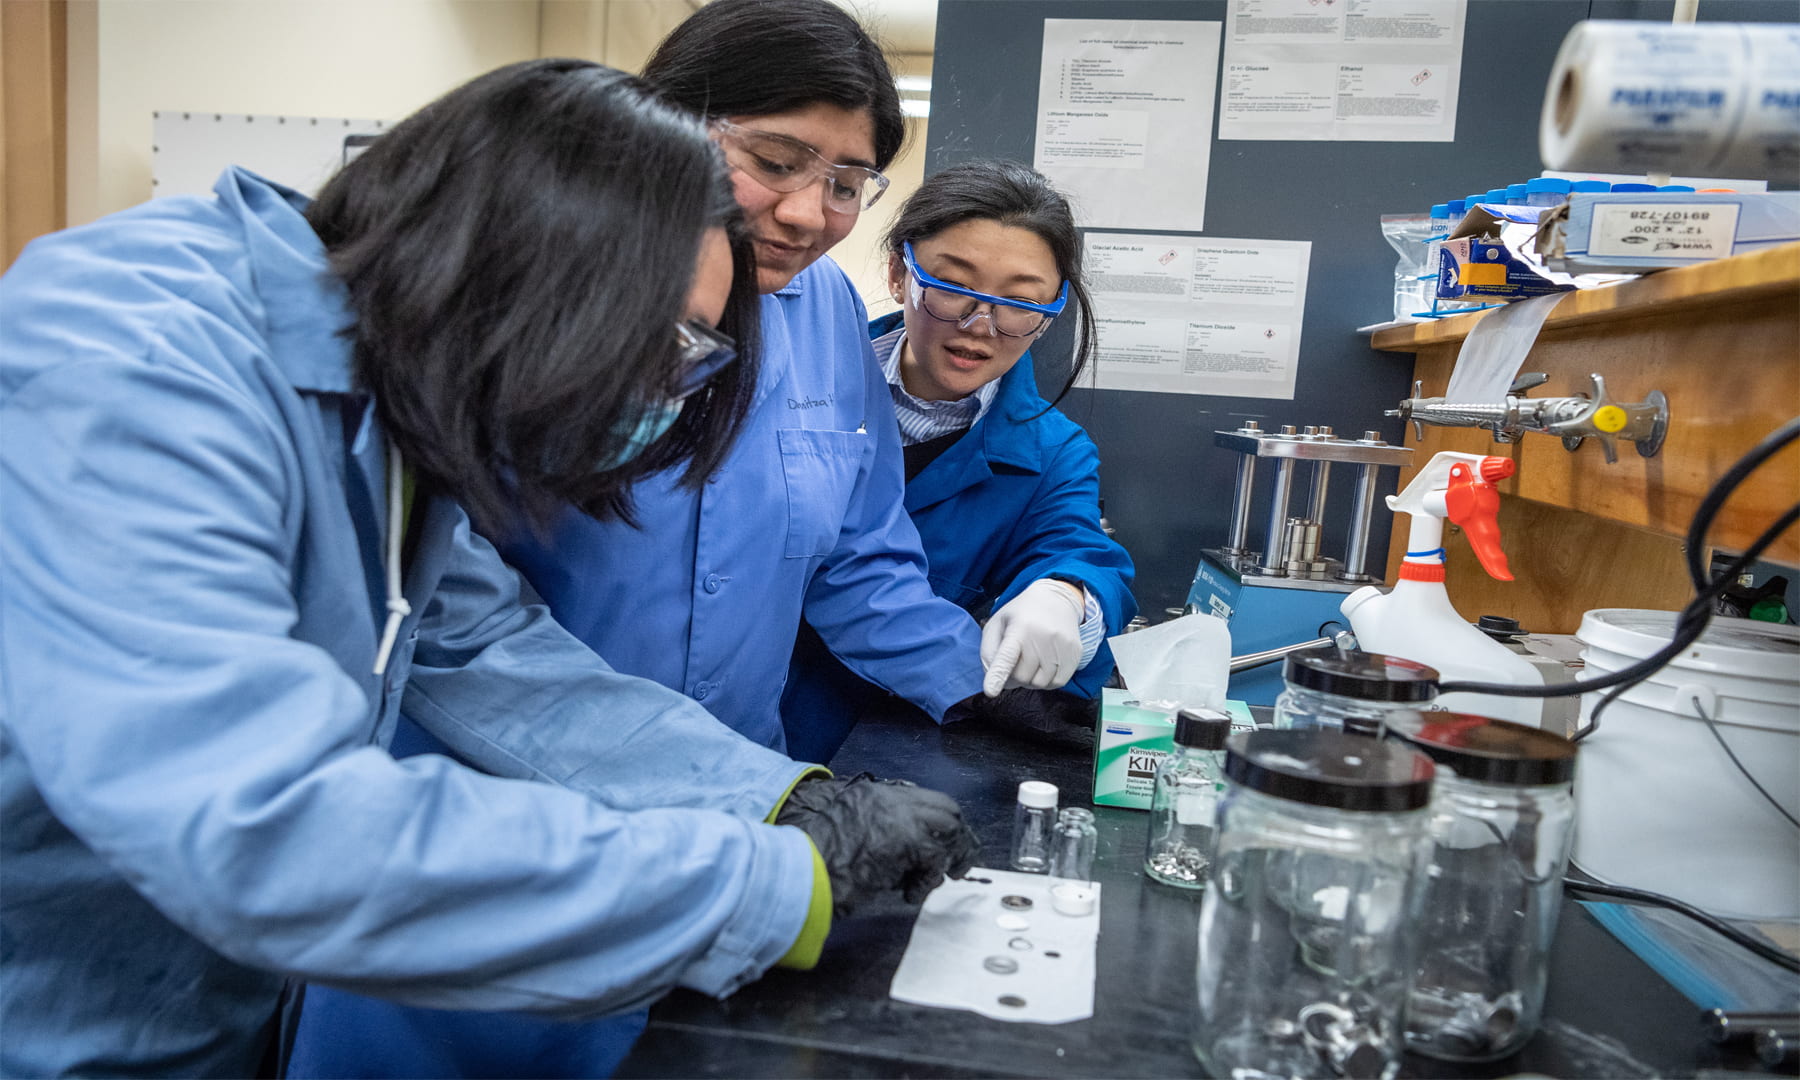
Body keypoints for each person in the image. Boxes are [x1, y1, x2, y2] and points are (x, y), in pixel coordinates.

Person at [0, 59, 978, 1079]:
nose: (669, 394)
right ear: (527, 272)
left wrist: (785, 801)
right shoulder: (138, 368)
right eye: (670, 345)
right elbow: (265, 826)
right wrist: (765, 884)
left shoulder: (382, 387)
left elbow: (492, 652)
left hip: (206, 1013)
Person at [783, 161, 1139, 764]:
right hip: (744, 724)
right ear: (900, 273)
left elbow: (1077, 548)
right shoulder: (794, 387)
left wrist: (1065, 595)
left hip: (903, 749)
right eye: (953, 285)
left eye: (1020, 303)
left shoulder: (1052, 453)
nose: (980, 325)